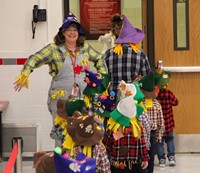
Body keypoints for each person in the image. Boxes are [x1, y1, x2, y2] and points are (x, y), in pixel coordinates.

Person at [13, 12, 107, 147]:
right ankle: (60, 163)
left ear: (79, 33)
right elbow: (34, 58)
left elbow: (99, 58)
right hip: (61, 101)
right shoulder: (54, 49)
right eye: (68, 29)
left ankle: (80, 165)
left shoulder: (84, 48)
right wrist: (25, 74)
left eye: (75, 29)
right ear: (62, 33)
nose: (72, 32)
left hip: (82, 99)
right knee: (62, 135)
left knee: (83, 133)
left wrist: (101, 77)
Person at [103, 15, 151, 96]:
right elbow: (147, 81)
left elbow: (103, 79)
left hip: (113, 98)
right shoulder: (141, 55)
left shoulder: (108, 54)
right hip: (134, 98)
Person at [103, 95, 149, 173]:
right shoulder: (137, 127)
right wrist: (145, 158)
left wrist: (110, 152)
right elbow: (142, 144)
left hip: (117, 164)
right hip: (134, 163)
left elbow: (107, 144)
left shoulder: (113, 127)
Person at [139, 71, 165, 173]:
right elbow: (161, 123)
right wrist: (159, 136)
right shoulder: (157, 105)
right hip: (153, 135)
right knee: (151, 158)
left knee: (142, 156)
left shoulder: (139, 104)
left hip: (142, 134)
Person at [156, 70, 179, 167]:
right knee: (170, 139)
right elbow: (176, 102)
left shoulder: (156, 95)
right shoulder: (169, 94)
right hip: (169, 123)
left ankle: (161, 159)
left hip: (159, 124)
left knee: (159, 142)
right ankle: (171, 157)